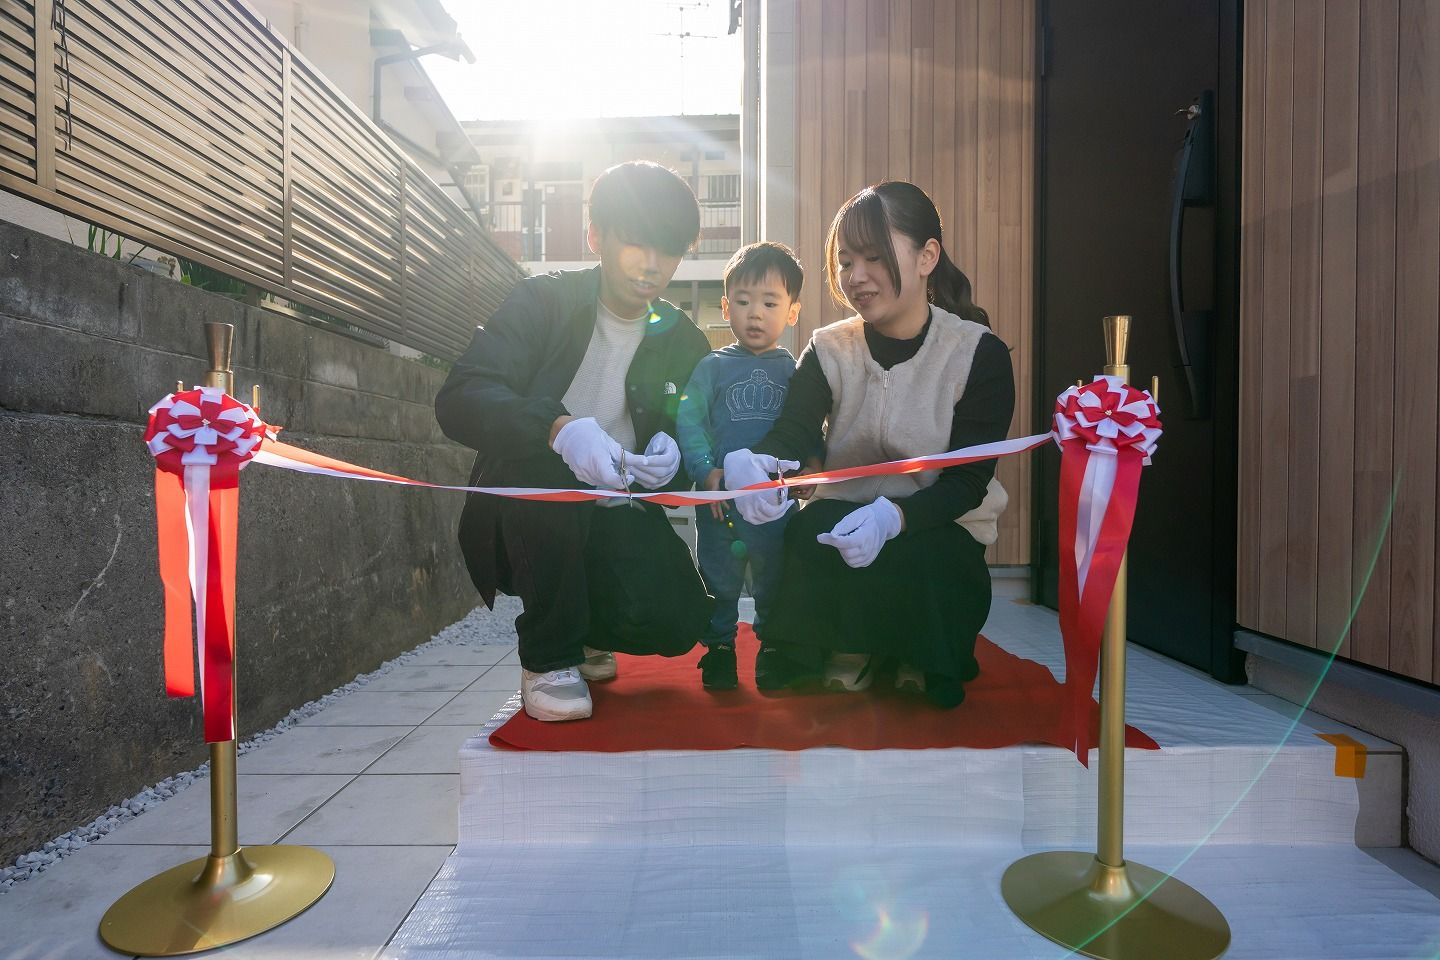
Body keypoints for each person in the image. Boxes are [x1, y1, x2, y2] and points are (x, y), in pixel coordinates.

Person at [435, 161, 714, 722]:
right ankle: (550, 657)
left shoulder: (684, 338)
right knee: (548, 476)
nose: (653, 265)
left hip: (617, 508)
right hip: (526, 507)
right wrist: (557, 428)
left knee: (678, 620)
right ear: (596, 237)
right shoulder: (542, 303)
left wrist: (676, 458)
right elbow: (461, 395)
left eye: (669, 249)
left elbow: (692, 436)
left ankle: (587, 634)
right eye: (637, 242)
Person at [724, 181, 1015, 708]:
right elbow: (795, 434)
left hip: (935, 528)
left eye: (874, 257)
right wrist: (759, 464)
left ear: (928, 256)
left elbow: (968, 483)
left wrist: (894, 518)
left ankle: (892, 650)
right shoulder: (830, 346)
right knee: (810, 532)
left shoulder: (979, 355)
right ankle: (859, 648)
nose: (855, 277)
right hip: (843, 522)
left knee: (937, 555)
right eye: (845, 261)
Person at [676, 242, 816, 691]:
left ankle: (773, 649)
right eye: (743, 301)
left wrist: (812, 466)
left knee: (775, 578)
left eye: (770, 303)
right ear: (725, 307)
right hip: (721, 507)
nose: (755, 313)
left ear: (792, 311)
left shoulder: (796, 372)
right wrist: (705, 472)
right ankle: (718, 650)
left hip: (774, 507)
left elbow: (809, 424)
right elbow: (690, 422)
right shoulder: (711, 368)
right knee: (719, 580)